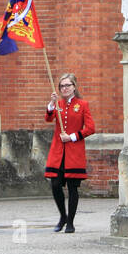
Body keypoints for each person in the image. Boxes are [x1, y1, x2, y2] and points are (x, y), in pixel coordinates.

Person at [45, 72, 96, 233]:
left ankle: (71, 222)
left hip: (74, 151)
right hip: (58, 152)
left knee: (73, 188)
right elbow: (48, 118)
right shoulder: (58, 104)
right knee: (55, 184)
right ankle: (62, 216)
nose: (64, 88)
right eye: (62, 86)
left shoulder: (82, 105)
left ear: (74, 87)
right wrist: (52, 104)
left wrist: (72, 137)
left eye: (67, 85)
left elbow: (90, 128)